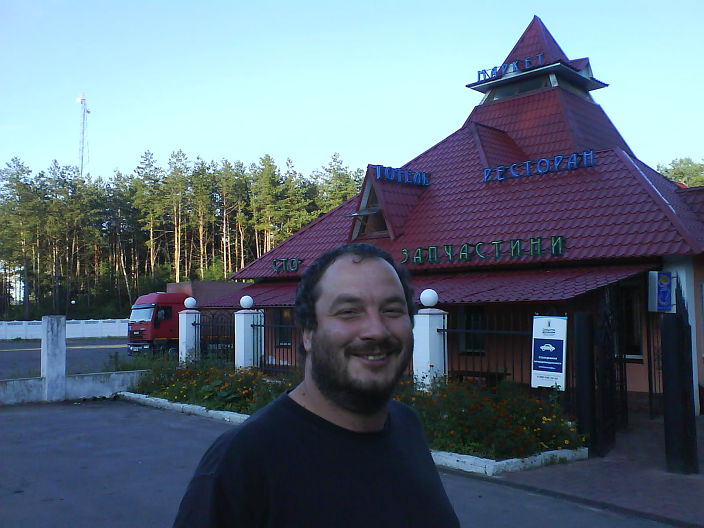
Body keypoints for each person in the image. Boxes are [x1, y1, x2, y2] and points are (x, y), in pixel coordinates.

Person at [173, 243, 459, 527]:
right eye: (349, 311)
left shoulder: (407, 426)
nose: (377, 330)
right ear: (308, 333)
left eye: (393, 310)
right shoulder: (243, 463)